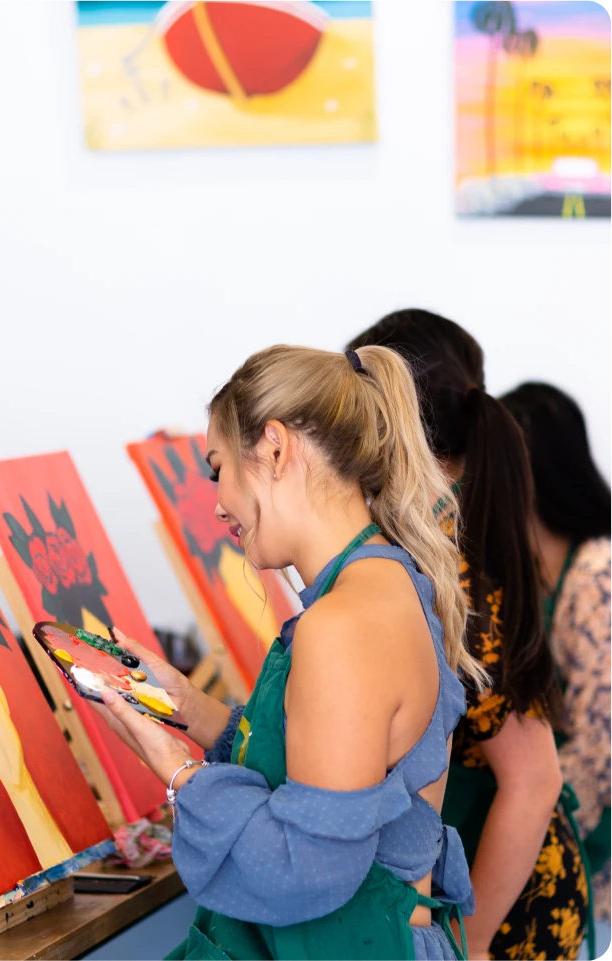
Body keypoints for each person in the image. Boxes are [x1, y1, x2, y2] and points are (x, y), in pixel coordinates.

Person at [94, 343, 481, 960]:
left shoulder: (342, 622)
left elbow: (306, 868)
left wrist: (178, 772)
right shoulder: (386, 579)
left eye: (217, 469)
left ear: (275, 449)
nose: (217, 503)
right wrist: (188, 707)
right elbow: (323, 766)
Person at [350, 310, 588, 961]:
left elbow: (532, 780)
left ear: (386, 419)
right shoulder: (444, 535)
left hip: (504, 902)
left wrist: (471, 943)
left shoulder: (450, 569)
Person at [502, 381, 612, 958]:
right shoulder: (539, 574)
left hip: (599, 875)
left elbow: (602, 749)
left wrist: (512, 829)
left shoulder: (598, 575)